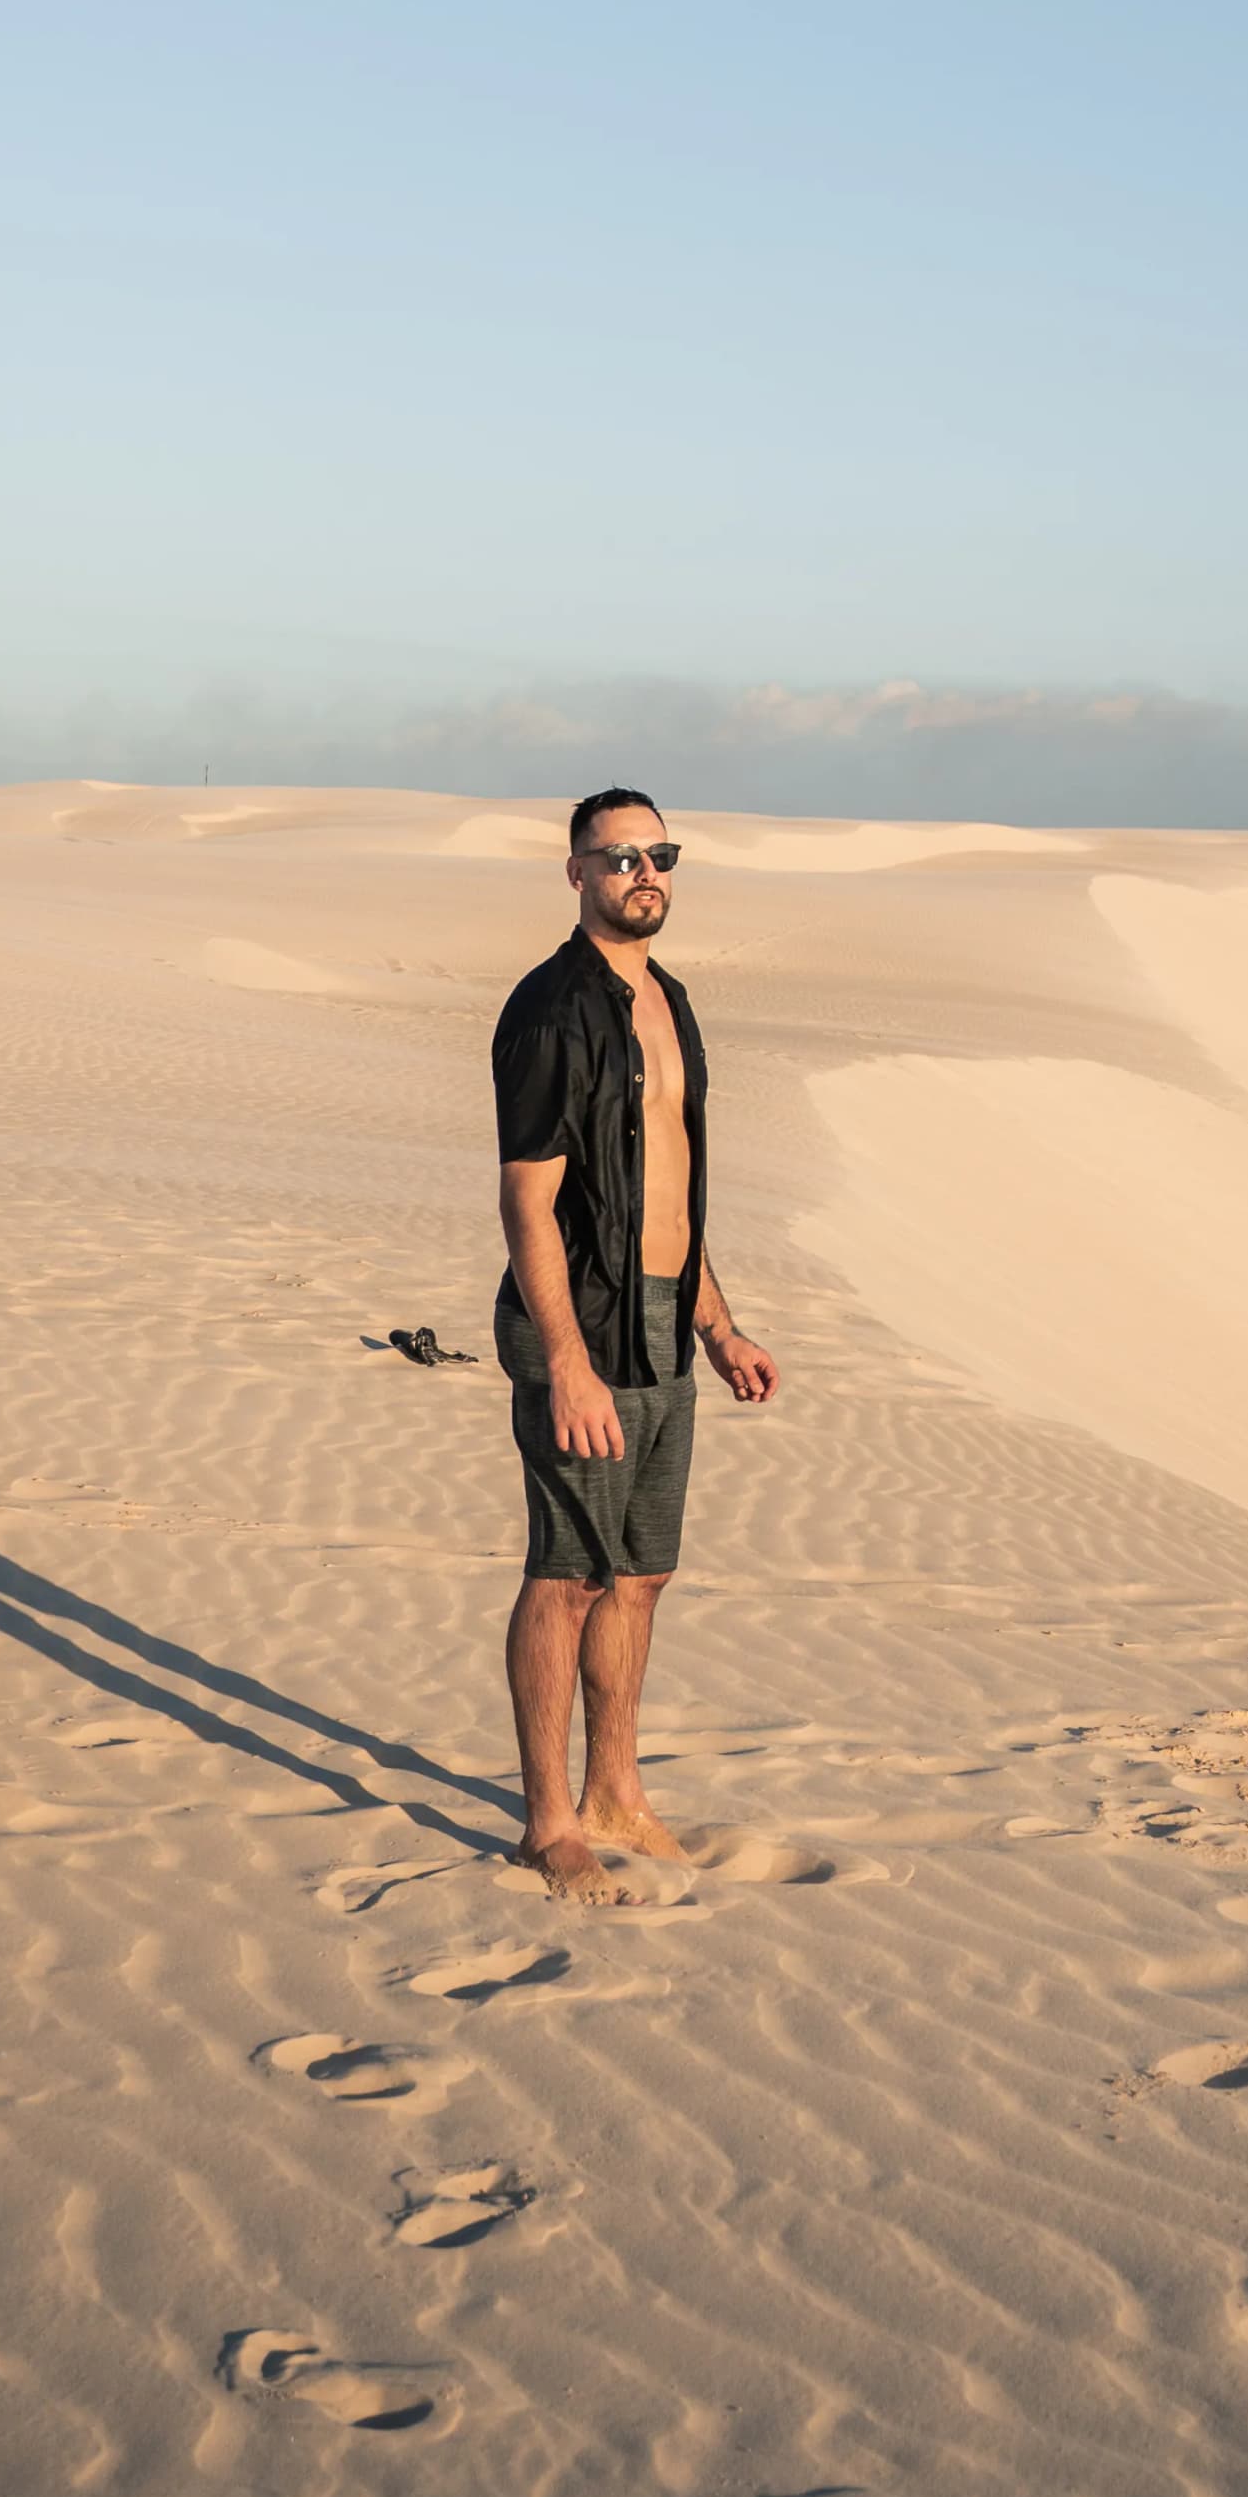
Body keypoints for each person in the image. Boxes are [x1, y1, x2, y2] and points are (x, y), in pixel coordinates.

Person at [488, 785, 776, 1899]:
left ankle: (615, 1789)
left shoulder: (672, 1001)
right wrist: (564, 1360)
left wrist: (718, 1323)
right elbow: (527, 1201)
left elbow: (671, 1189)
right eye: (617, 858)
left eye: (659, 853)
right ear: (575, 875)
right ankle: (548, 1820)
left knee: (643, 1573)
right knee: (566, 1575)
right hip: (583, 1329)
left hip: (663, 1321)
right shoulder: (552, 1011)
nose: (642, 873)